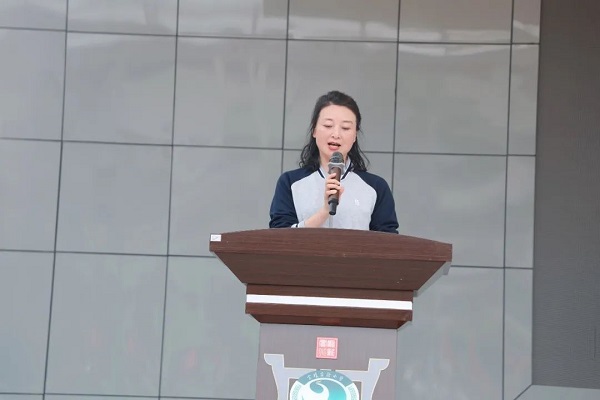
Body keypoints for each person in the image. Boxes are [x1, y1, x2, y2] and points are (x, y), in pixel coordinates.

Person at [269, 90, 399, 233]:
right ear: (314, 130)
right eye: (328, 126)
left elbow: (388, 240)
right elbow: (279, 236)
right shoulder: (290, 183)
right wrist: (324, 211)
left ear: (355, 135)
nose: (336, 134)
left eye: (345, 128)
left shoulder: (376, 187)